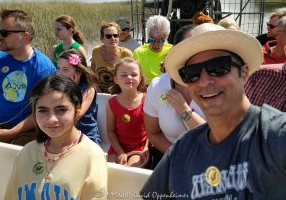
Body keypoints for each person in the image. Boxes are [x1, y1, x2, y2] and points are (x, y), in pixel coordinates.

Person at [141, 23, 286, 199]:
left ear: (244, 72)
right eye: (192, 74)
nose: (204, 82)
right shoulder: (181, 150)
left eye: (218, 68)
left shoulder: (276, 136)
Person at [4, 75, 108, 200]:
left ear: (77, 110)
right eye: (43, 110)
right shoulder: (27, 152)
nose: (51, 119)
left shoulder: (92, 155)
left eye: (61, 110)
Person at [0, 9, 56, 145]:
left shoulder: (43, 67)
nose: (0, 36)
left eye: (4, 33)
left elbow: (43, 109)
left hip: (28, 131)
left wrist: (12, 133)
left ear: (24, 36)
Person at [144, 24, 205, 169]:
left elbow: (219, 138)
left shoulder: (218, 85)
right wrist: (179, 156)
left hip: (210, 159)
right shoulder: (158, 85)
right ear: (177, 51)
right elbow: (153, 133)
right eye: (191, 46)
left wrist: (184, 110)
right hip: (170, 155)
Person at [106, 57, 149, 167]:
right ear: (116, 79)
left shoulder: (147, 100)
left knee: (130, 169)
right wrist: (120, 151)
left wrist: (146, 148)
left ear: (140, 78)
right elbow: (110, 131)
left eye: (134, 74)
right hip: (118, 147)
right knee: (111, 169)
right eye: (124, 75)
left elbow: (152, 131)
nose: (129, 77)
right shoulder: (111, 103)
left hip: (139, 148)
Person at [57, 49, 101, 144]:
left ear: (79, 71)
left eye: (65, 69)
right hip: (65, 133)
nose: (60, 73)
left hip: (87, 135)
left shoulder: (89, 90)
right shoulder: (58, 88)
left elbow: (77, 114)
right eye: (58, 68)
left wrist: (74, 88)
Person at [91, 21, 133, 93]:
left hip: (120, 92)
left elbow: (131, 78)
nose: (113, 38)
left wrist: (117, 89)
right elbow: (92, 73)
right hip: (99, 92)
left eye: (115, 35)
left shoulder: (127, 54)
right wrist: (96, 88)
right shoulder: (96, 52)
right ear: (102, 39)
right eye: (108, 36)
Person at [133, 15, 173, 84]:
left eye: (160, 41)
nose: (156, 44)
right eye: (152, 40)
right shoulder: (138, 53)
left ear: (166, 37)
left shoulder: (172, 51)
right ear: (148, 36)